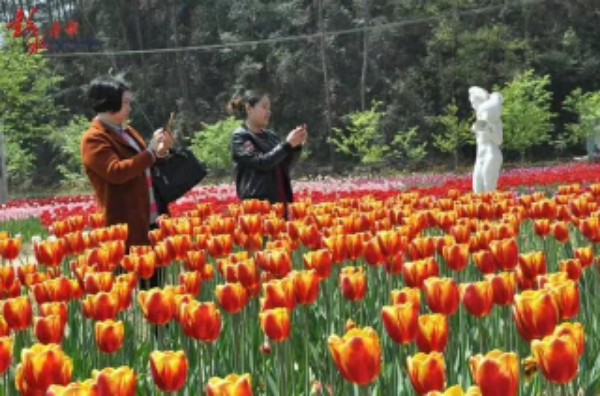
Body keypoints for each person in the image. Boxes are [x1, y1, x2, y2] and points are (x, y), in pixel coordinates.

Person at [81, 76, 173, 252]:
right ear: (110, 103)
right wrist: (150, 152)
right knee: (133, 276)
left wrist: (160, 153)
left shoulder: (127, 131)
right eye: (125, 103)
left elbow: (144, 165)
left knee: (157, 277)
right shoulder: (95, 138)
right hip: (126, 223)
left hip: (152, 215)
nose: (130, 108)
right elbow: (115, 172)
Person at [229, 90, 307, 216]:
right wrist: (287, 145)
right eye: (264, 107)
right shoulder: (241, 136)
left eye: (269, 108)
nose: (268, 112)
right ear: (249, 108)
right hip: (257, 206)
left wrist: (296, 146)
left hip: (280, 203)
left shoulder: (271, 136)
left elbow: (285, 165)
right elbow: (261, 162)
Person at [469, 86, 503, 193]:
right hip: (479, 157)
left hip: (491, 155)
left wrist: (488, 129)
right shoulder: (480, 119)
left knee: (489, 189)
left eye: (474, 101)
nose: (472, 105)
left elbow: (499, 141)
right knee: (477, 190)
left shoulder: (495, 120)